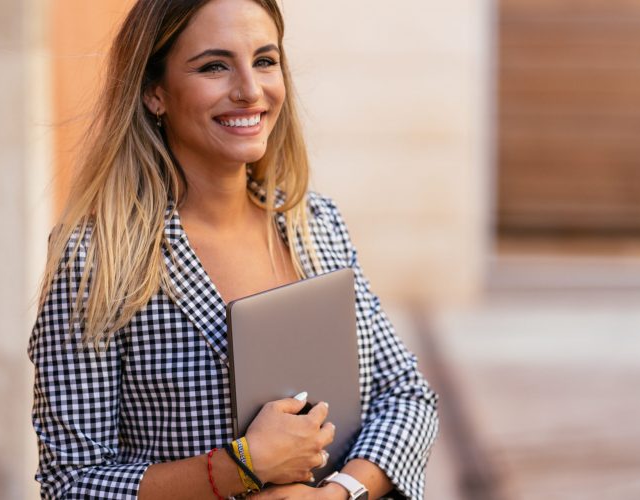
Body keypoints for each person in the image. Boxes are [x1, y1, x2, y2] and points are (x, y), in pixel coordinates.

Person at [28, 0, 439, 498]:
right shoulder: (98, 258)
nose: (249, 90)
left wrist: (339, 494)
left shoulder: (314, 224)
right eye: (214, 66)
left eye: (265, 61)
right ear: (155, 93)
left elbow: (406, 395)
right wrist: (242, 465)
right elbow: (72, 483)